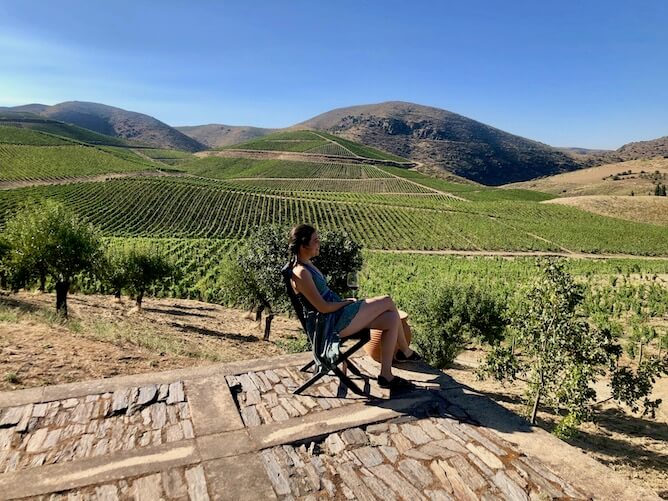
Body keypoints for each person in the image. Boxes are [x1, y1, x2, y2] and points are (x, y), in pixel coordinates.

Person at [287, 224, 419, 391]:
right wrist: (346, 302)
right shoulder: (301, 273)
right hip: (331, 322)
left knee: (391, 319)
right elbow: (324, 307)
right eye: (315, 240)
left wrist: (345, 302)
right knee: (386, 300)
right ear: (303, 245)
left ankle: (386, 375)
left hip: (336, 315)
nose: (319, 243)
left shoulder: (307, 265)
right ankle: (405, 352)